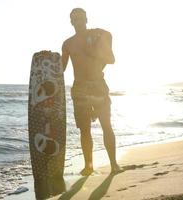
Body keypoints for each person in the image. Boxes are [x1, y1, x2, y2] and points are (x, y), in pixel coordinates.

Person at [61, 8, 122, 176]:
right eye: (74, 19)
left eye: (80, 18)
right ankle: (89, 166)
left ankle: (114, 165)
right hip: (79, 89)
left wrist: (96, 50)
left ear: (86, 19)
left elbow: (111, 59)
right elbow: (61, 69)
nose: (78, 21)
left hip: (98, 86)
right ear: (71, 22)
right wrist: (47, 61)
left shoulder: (98, 35)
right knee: (84, 130)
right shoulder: (68, 44)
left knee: (106, 126)